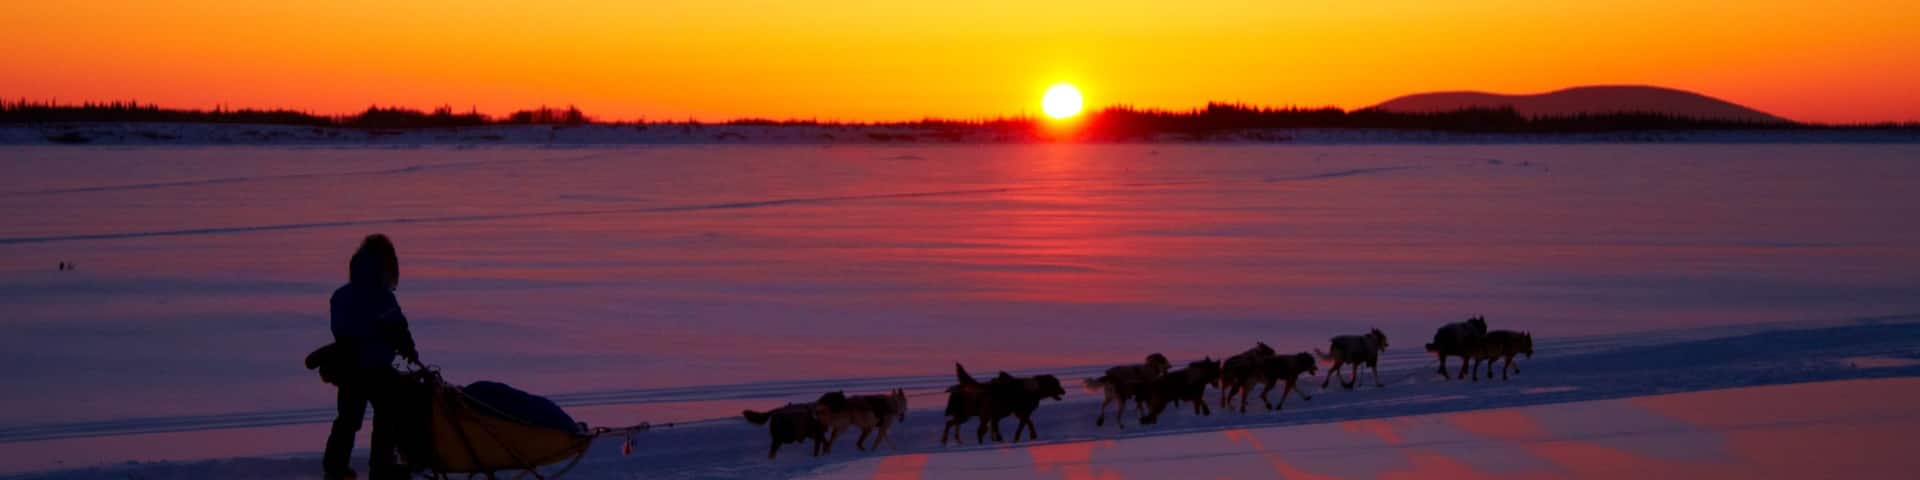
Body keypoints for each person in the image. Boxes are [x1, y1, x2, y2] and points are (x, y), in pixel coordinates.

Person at [324, 234, 421, 480]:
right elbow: (398, 328)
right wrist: (409, 350)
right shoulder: (382, 298)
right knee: (387, 417)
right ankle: (382, 468)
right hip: (376, 368)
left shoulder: (340, 296)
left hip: (350, 369)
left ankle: (335, 467)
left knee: (347, 419)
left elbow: (340, 331)